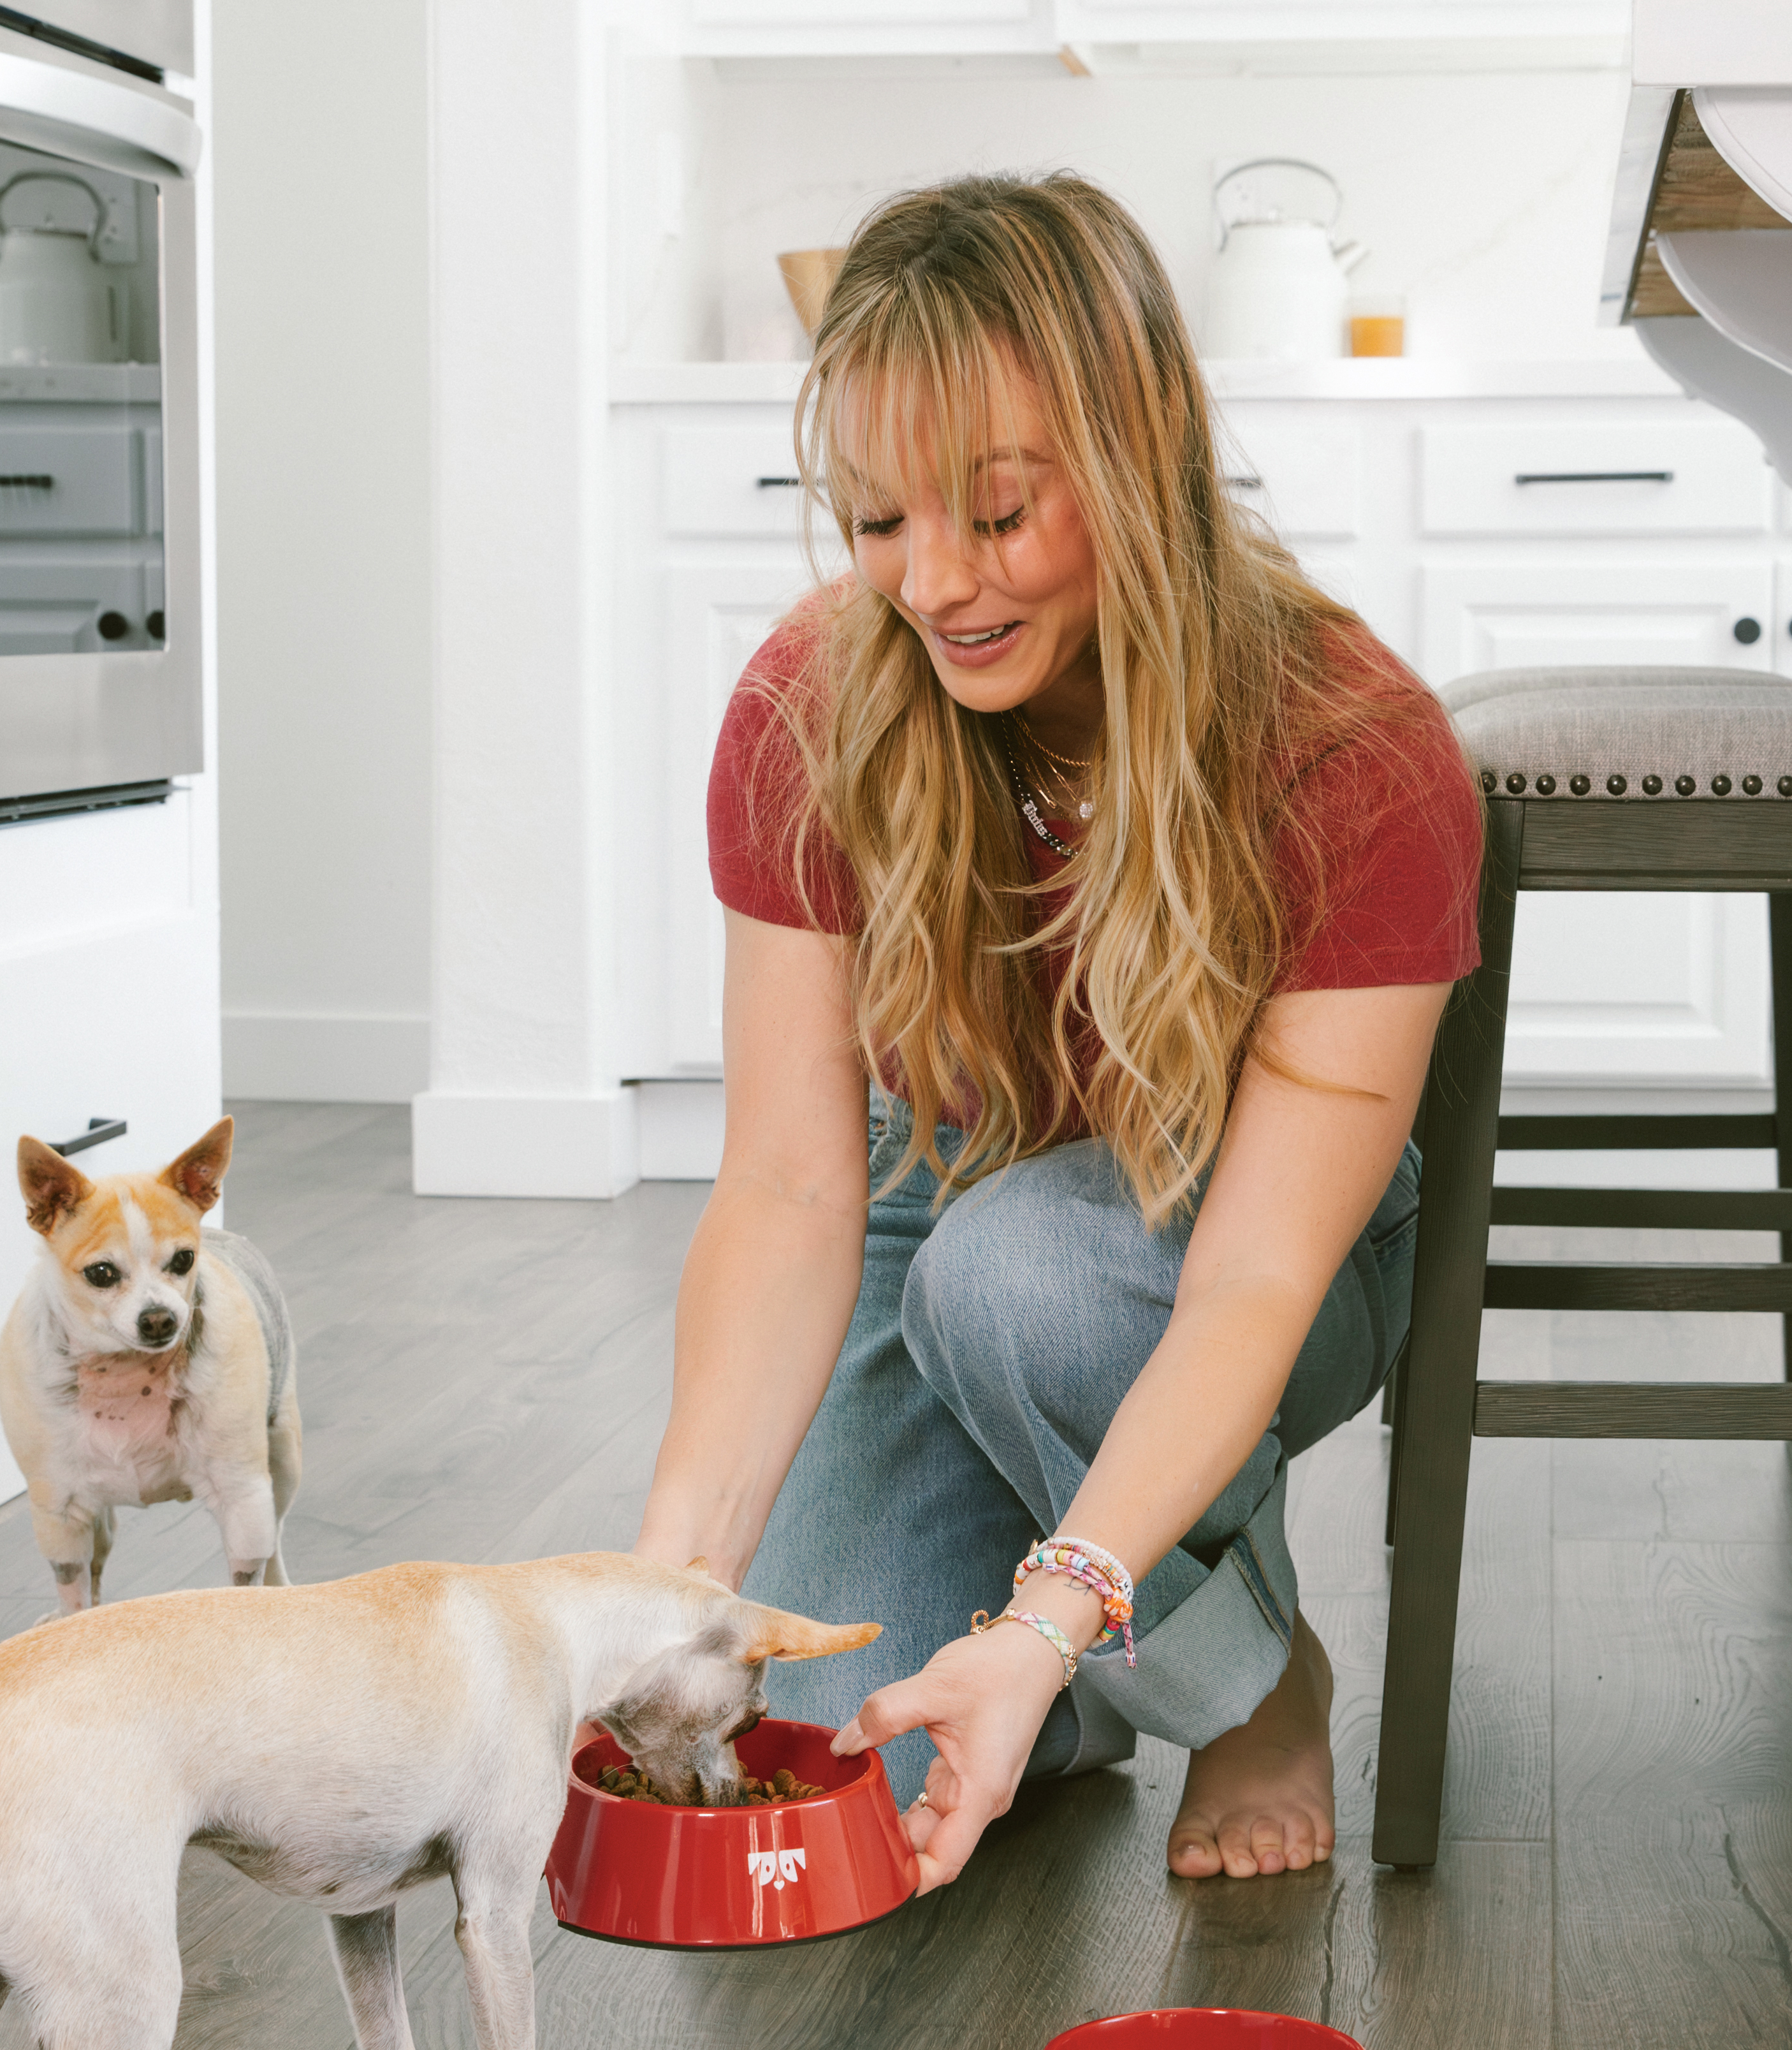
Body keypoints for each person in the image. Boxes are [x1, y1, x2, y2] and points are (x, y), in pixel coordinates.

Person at [632, 173, 1481, 1893]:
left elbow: (1254, 1277)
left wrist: (1054, 1603)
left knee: (1014, 1276)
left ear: (1138, 447)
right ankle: (1071, 1679)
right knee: (840, 1727)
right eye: (876, 522)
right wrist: (656, 1604)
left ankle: (1243, 1678)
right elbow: (792, 1187)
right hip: (923, 1189)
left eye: (997, 515)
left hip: (1255, 1244)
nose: (932, 583)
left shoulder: (1347, 748)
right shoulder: (810, 701)